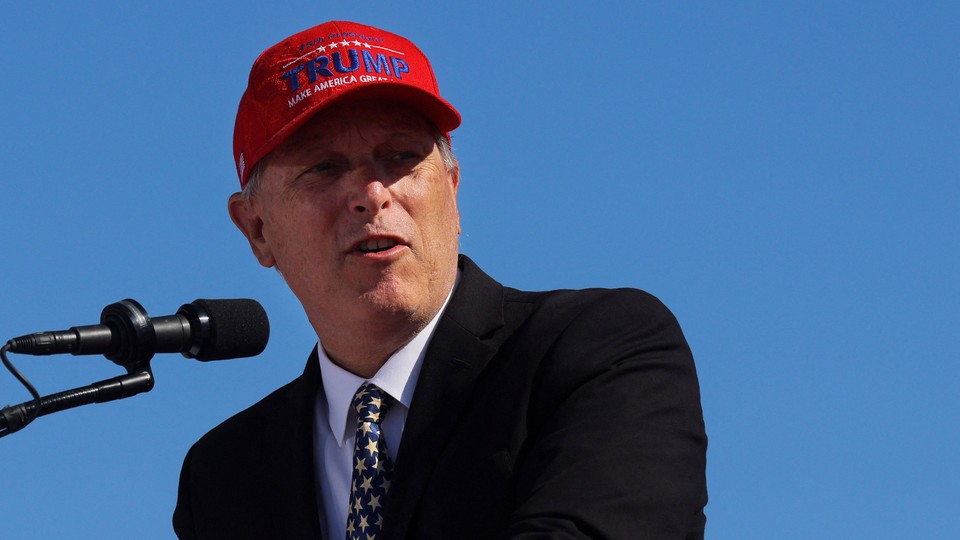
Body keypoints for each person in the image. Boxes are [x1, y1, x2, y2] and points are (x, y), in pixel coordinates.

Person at [173, 20, 707, 540]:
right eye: (324, 167)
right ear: (257, 228)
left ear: (451, 191)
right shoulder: (223, 477)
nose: (372, 193)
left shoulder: (596, 349)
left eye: (402, 157)